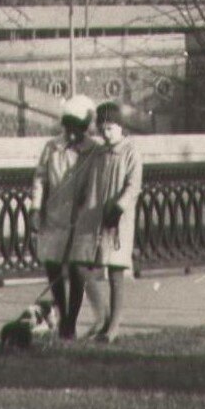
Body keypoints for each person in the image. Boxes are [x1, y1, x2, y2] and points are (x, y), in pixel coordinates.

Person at [70, 99, 144, 342]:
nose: (106, 133)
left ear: (121, 127)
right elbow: (88, 182)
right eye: (102, 129)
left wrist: (119, 207)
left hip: (117, 220)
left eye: (110, 128)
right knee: (82, 265)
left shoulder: (131, 152)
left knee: (115, 271)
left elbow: (133, 186)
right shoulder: (98, 153)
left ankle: (113, 326)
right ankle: (102, 316)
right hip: (93, 219)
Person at [27, 109, 91, 341]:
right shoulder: (52, 147)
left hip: (81, 218)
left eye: (77, 131)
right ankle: (62, 314)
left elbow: (96, 183)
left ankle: (71, 322)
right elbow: (40, 178)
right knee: (53, 266)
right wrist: (35, 209)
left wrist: (85, 209)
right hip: (54, 216)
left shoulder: (92, 150)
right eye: (69, 130)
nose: (72, 135)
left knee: (77, 270)